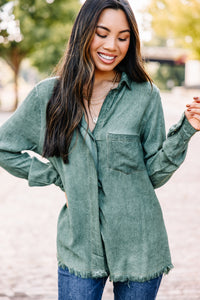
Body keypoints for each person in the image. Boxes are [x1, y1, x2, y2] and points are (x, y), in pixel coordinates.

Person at [0, 0, 200, 299]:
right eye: (102, 33)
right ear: (83, 33)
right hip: (79, 246)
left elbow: (154, 174)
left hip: (140, 245)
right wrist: (57, 176)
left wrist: (186, 129)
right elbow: (5, 148)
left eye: (123, 37)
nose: (112, 45)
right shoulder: (48, 95)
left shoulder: (145, 95)